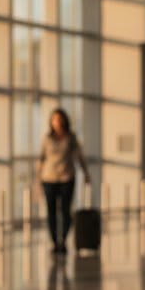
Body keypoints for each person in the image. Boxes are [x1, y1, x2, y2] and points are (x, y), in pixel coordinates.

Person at [35, 108, 90, 254]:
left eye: (59, 119)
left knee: (66, 212)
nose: (57, 122)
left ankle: (63, 241)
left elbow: (79, 156)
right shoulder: (47, 139)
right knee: (51, 212)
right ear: (51, 122)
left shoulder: (71, 138)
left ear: (64, 121)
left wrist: (86, 173)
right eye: (54, 119)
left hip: (67, 178)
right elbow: (41, 159)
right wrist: (38, 179)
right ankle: (54, 242)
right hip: (49, 179)